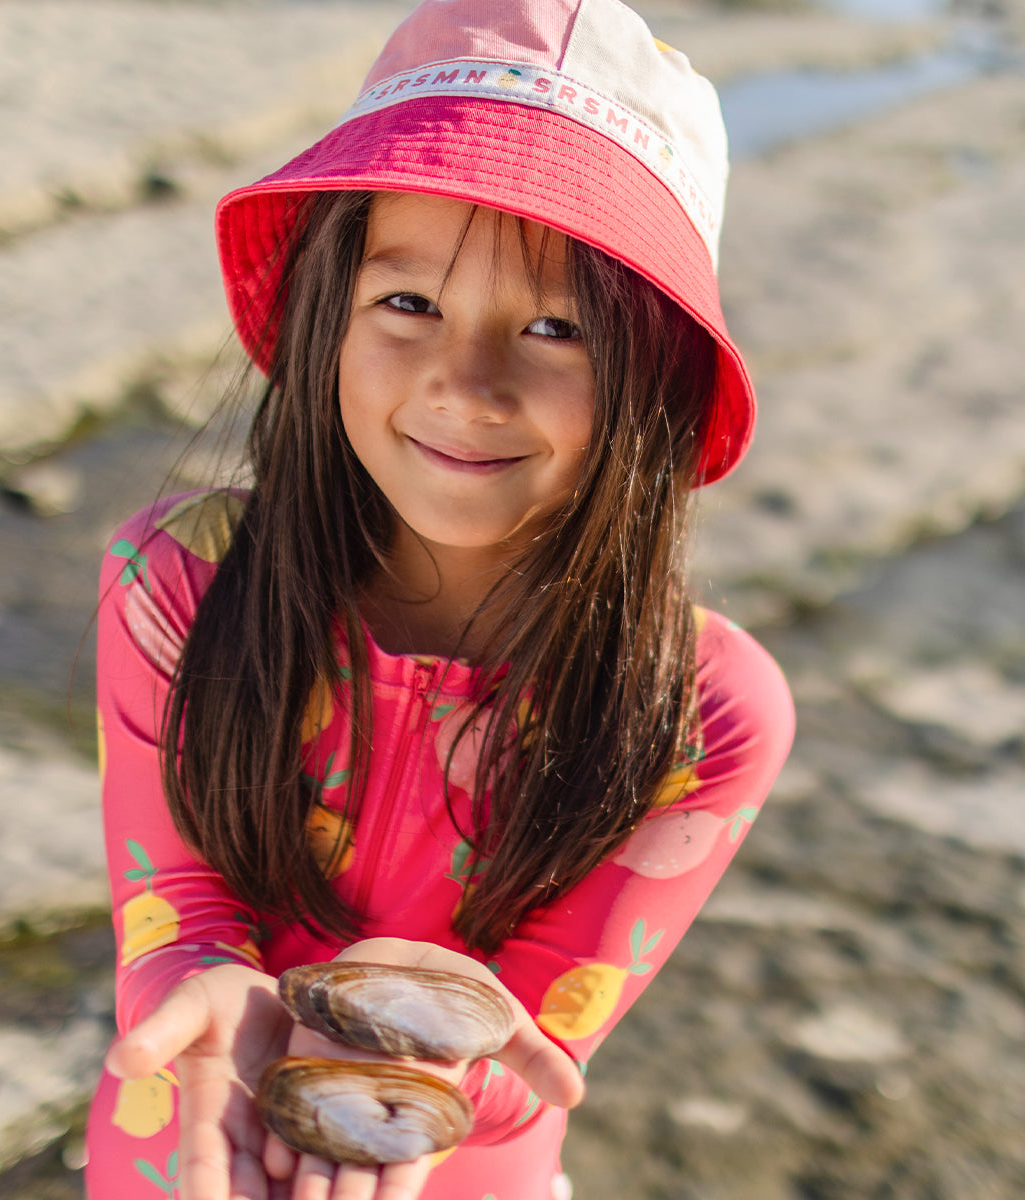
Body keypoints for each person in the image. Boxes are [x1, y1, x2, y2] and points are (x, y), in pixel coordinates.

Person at [86, 1, 796, 1197]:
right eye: (407, 304)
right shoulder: (178, 581)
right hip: (189, 1144)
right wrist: (204, 988)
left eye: (556, 326)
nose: (467, 388)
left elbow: (545, 1044)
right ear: (327, 317)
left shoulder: (705, 712)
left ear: (656, 376)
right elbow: (177, 902)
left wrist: (431, 1020)